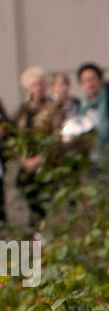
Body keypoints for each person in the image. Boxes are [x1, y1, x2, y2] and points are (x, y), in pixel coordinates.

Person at [12, 66, 64, 227]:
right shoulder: (23, 110)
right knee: (29, 196)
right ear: (27, 88)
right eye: (34, 84)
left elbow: (57, 136)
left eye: (41, 84)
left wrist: (41, 158)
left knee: (50, 200)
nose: (38, 88)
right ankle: (36, 231)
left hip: (47, 164)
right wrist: (24, 160)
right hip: (27, 165)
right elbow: (15, 137)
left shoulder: (53, 108)